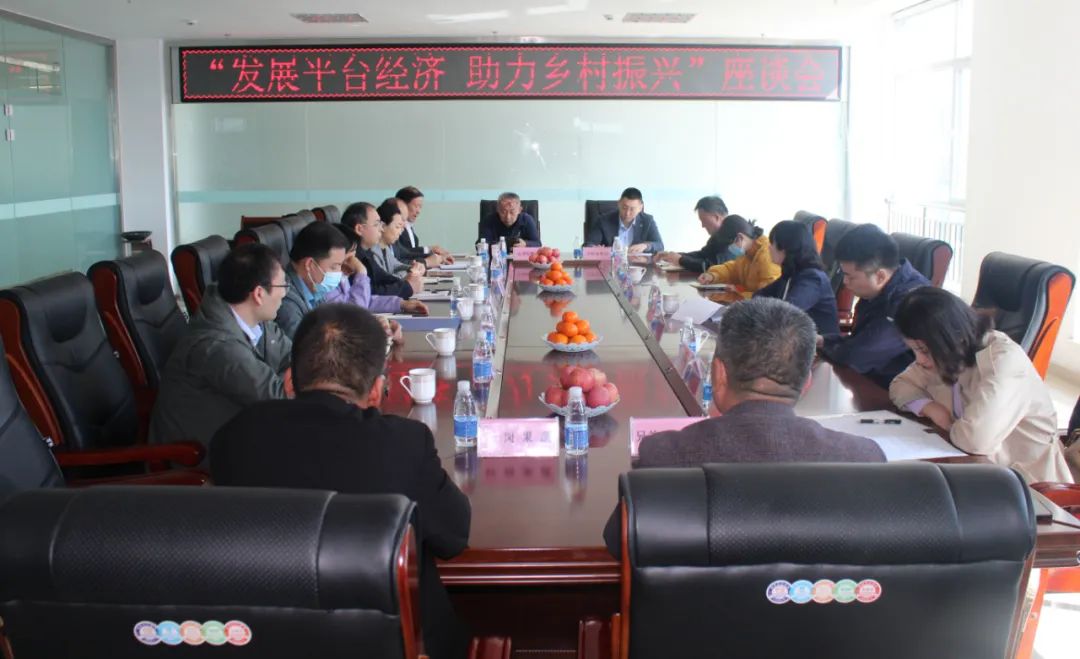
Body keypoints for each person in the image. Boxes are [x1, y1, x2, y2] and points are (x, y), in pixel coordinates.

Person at [210, 304, 471, 659]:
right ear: (376, 391)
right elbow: (454, 536)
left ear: (290, 381)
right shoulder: (405, 443)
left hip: (266, 642)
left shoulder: (233, 437)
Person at [603, 297, 884, 555]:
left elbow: (618, 544)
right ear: (806, 383)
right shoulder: (864, 459)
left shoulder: (664, 455)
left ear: (719, 373)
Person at [889, 287, 1072, 483]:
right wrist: (932, 409)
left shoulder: (1004, 361)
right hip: (972, 469)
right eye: (915, 350)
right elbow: (900, 385)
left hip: (1028, 484)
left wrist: (951, 426)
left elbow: (974, 440)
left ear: (951, 336)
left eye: (923, 350)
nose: (919, 360)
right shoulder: (948, 351)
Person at [150, 243, 291, 456]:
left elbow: (295, 356)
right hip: (201, 459)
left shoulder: (257, 322)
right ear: (259, 294)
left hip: (244, 435)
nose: (285, 294)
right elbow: (278, 396)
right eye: (282, 286)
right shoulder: (216, 346)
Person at [817, 224, 930, 387]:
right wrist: (823, 341)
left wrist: (828, 346)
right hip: (873, 381)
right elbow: (862, 340)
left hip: (903, 393)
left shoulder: (911, 304)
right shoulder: (879, 289)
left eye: (850, 276)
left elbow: (860, 355)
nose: (845, 282)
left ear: (880, 276)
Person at [276, 222, 427, 340]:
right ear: (310, 265)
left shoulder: (313, 289)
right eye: (335, 266)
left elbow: (336, 322)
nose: (340, 272)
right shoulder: (286, 301)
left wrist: (372, 325)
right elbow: (310, 349)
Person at [754, 220, 839, 335]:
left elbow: (786, 312)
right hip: (791, 338)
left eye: (772, 243)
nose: (769, 248)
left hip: (817, 344)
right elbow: (760, 295)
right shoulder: (792, 273)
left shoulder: (812, 279)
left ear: (785, 248)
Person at [341, 201, 421, 298]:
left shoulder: (367, 252)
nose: (381, 229)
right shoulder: (349, 257)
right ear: (359, 229)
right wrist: (407, 287)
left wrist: (408, 282)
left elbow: (383, 277)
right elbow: (370, 292)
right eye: (376, 224)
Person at [697, 214, 781, 297]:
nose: (729, 249)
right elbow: (733, 269)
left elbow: (767, 297)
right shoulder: (748, 252)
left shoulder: (767, 256)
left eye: (729, 245)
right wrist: (713, 276)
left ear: (740, 237)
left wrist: (740, 292)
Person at [655, 195, 739, 272]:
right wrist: (673, 255)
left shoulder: (735, 234)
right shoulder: (717, 236)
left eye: (704, 220)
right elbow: (702, 255)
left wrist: (681, 260)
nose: (703, 225)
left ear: (716, 217)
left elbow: (713, 266)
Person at [584, 187, 664, 254]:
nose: (627, 213)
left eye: (632, 209)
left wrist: (645, 246)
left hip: (637, 266)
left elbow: (660, 245)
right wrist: (594, 248)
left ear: (640, 208)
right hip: (610, 265)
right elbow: (588, 244)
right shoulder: (603, 220)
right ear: (619, 203)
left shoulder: (648, 221)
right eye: (624, 208)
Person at [395, 185, 453, 263]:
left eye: (420, 207)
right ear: (402, 205)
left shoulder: (409, 227)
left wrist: (434, 254)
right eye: (416, 206)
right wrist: (429, 251)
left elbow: (411, 254)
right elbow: (403, 253)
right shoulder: (396, 229)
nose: (418, 211)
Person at [374, 198, 426, 278]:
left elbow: (396, 265)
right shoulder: (373, 252)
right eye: (397, 227)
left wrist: (413, 267)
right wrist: (410, 272)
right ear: (383, 226)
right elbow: (386, 279)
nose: (401, 232)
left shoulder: (385, 248)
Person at [476, 192, 541, 248]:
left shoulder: (526, 219)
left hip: (519, 257)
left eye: (512, 212)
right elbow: (480, 244)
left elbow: (538, 243)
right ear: (498, 209)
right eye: (503, 212)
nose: (508, 217)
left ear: (519, 210)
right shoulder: (489, 220)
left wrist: (526, 244)